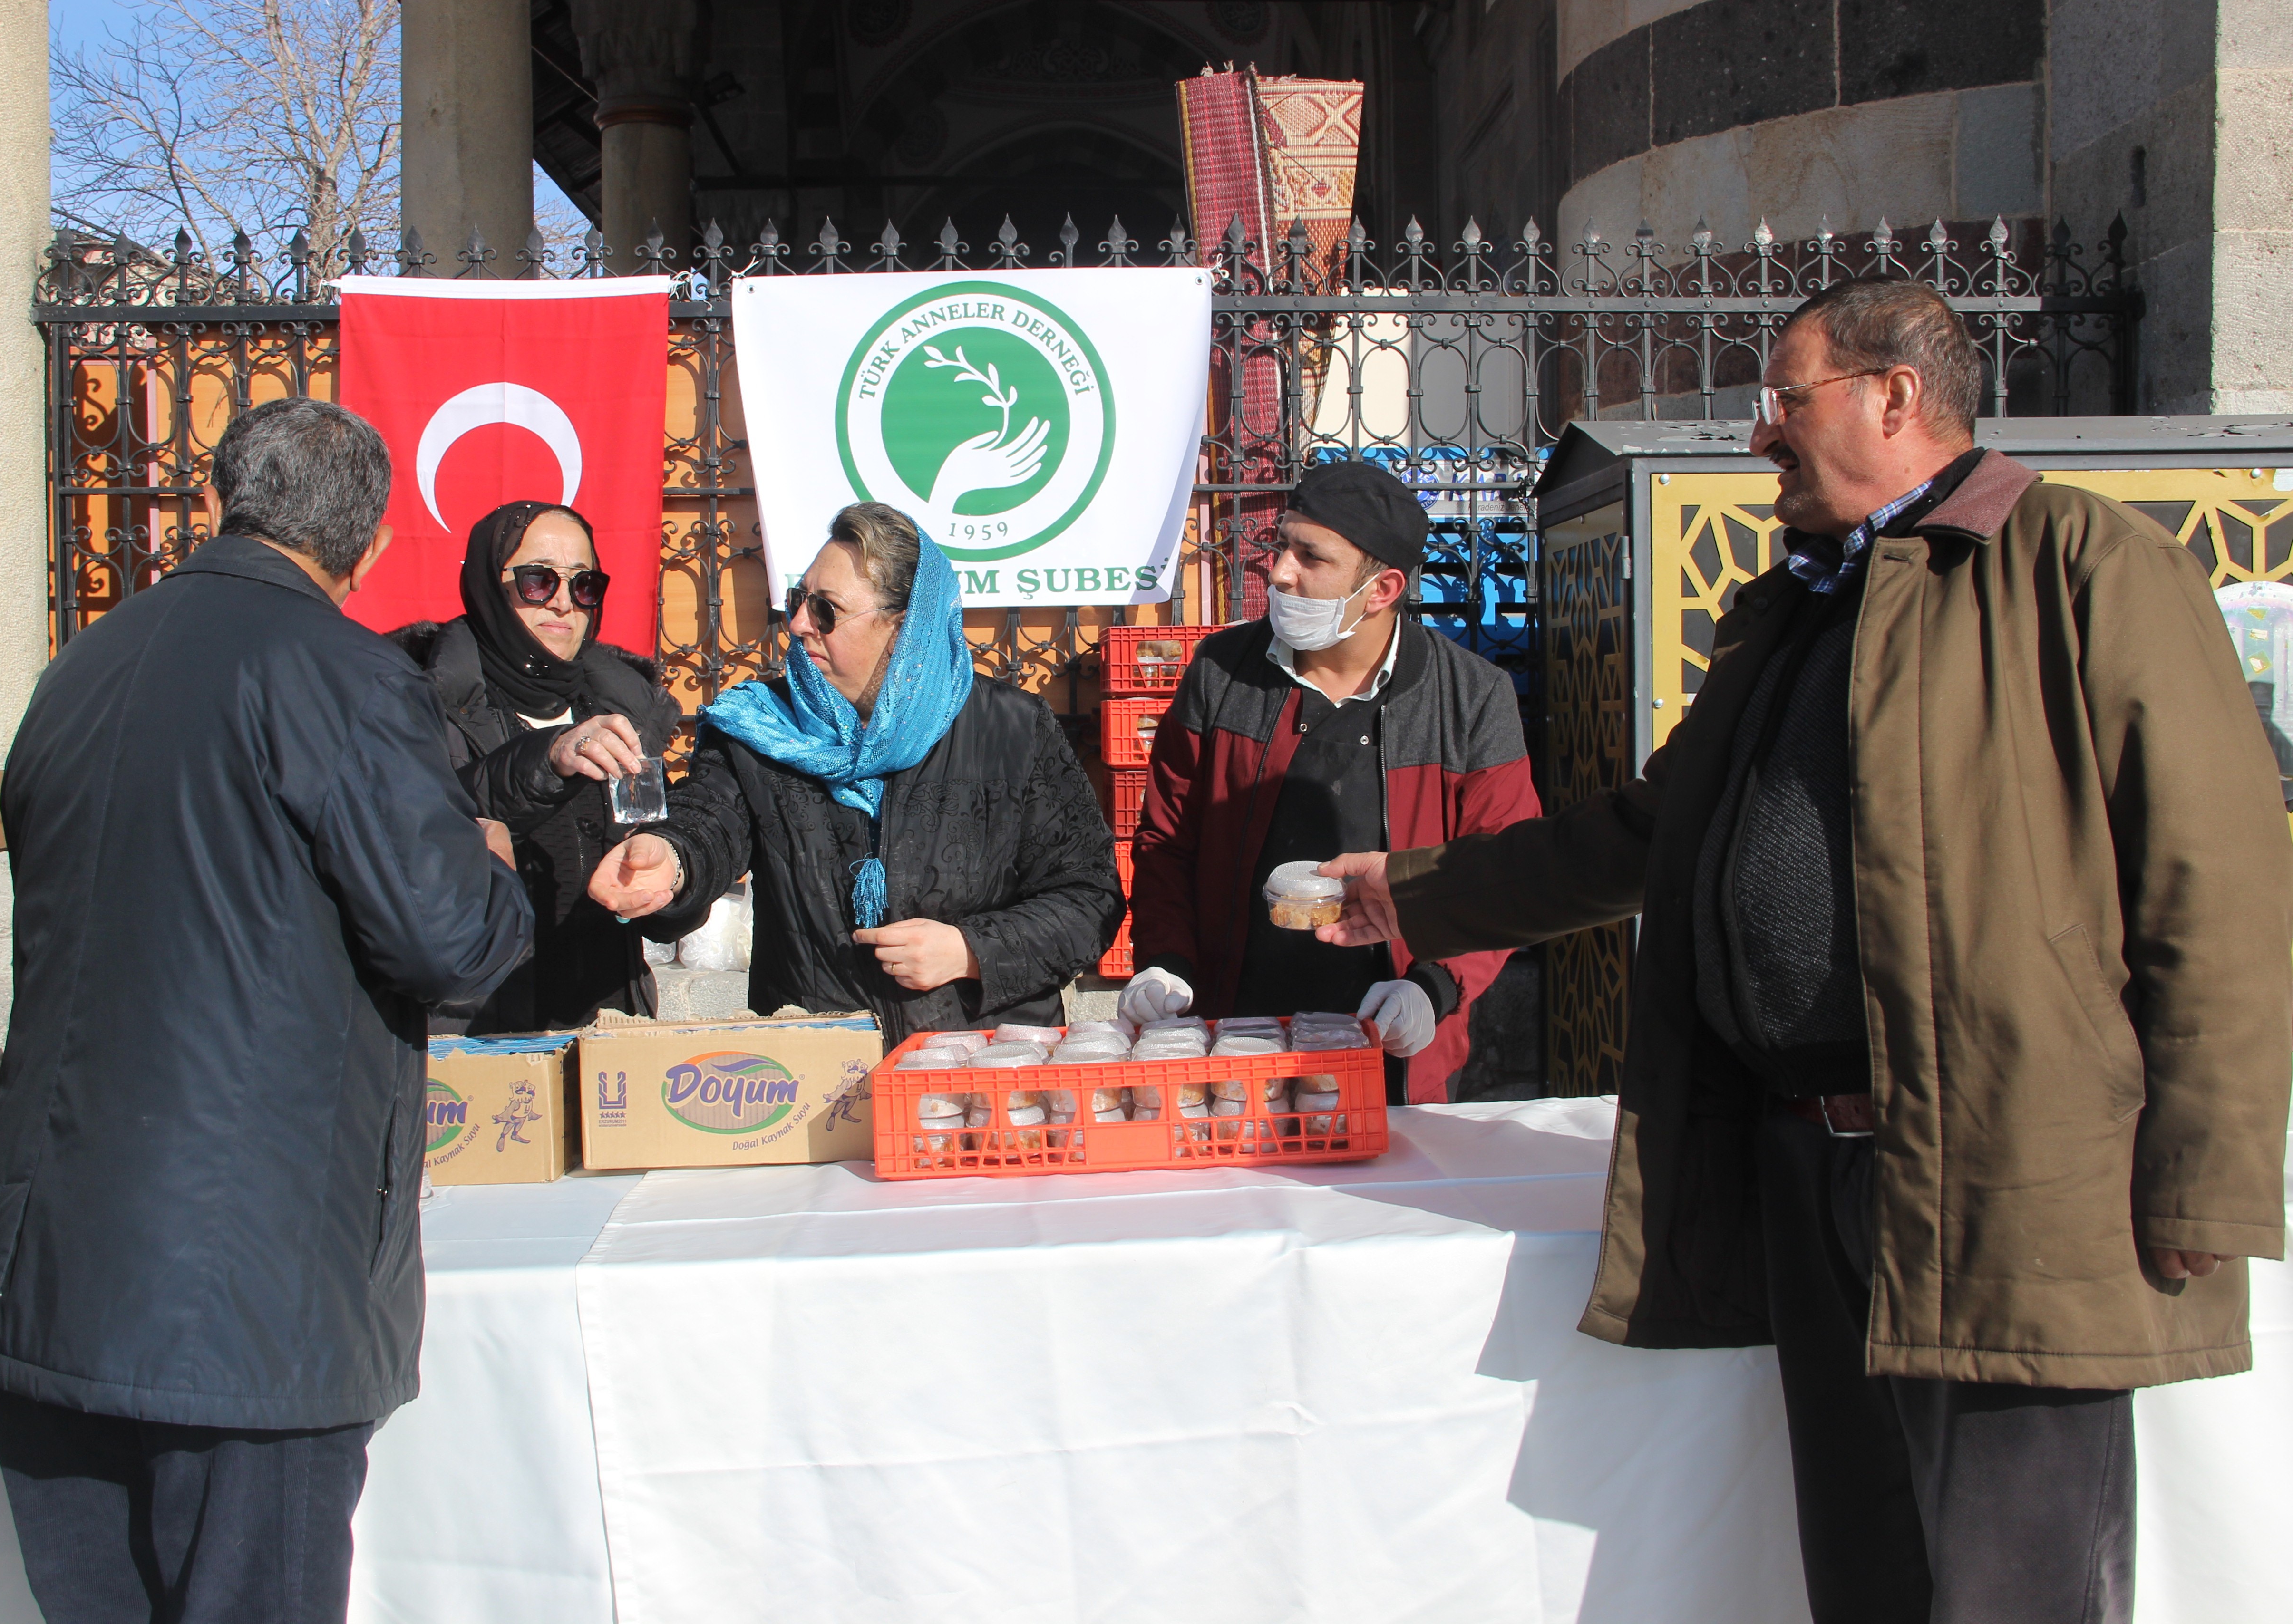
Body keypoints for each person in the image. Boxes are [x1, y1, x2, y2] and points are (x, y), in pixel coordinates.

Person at [1314, 279, 2293, 1624]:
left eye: (1784, 400)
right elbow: (1650, 832)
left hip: (2010, 1180)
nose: (1758, 436)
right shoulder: (1793, 609)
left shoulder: (2085, 563)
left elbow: (2218, 884)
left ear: (1896, 397)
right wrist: (1415, 896)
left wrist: (2205, 1187)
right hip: (1809, 1164)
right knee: (1867, 1572)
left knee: (2016, 1586)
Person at [0, 398, 534, 1624]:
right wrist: (490, 855)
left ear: (223, 499)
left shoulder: (83, 665)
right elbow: (455, 941)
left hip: (57, 1271)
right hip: (241, 1301)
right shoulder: (340, 670)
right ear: (368, 550)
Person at [586, 502, 1123, 1039]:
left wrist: (970, 952)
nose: (798, 626)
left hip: (977, 1072)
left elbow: (1089, 897)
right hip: (819, 1079)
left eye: (826, 611)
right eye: (799, 601)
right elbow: (708, 822)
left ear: (904, 628)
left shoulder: (1012, 729)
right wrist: (672, 861)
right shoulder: (761, 727)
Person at [1121, 461, 1540, 1101]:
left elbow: (1503, 872)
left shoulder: (1471, 698)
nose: (1280, 570)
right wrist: (1166, 961)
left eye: (1310, 557)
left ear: (1382, 589)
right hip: (1236, 1034)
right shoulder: (1220, 673)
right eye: (1281, 545)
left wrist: (1435, 986)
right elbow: (1167, 842)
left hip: (1395, 1039)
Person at [393, 500, 680, 1031]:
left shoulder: (624, 707)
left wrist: (671, 886)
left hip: (605, 1026)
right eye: (537, 582)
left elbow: (660, 868)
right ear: (489, 585)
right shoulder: (416, 701)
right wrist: (550, 759)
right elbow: (416, 830)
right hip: (478, 1033)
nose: (564, 604)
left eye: (584, 585)